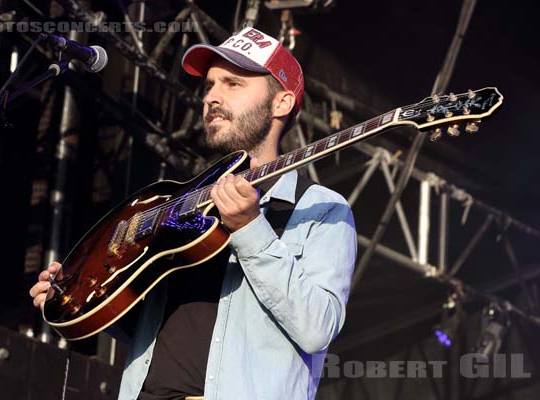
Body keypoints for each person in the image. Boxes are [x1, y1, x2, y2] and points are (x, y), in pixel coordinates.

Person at [30, 27, 356, 400]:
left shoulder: (321, 208)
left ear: (281, 104)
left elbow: (317, 328)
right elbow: (160, 330)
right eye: (209, 86)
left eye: (232, 85)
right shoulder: (187, 202)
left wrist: (251, 229)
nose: (211, 98)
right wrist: (79, 302)